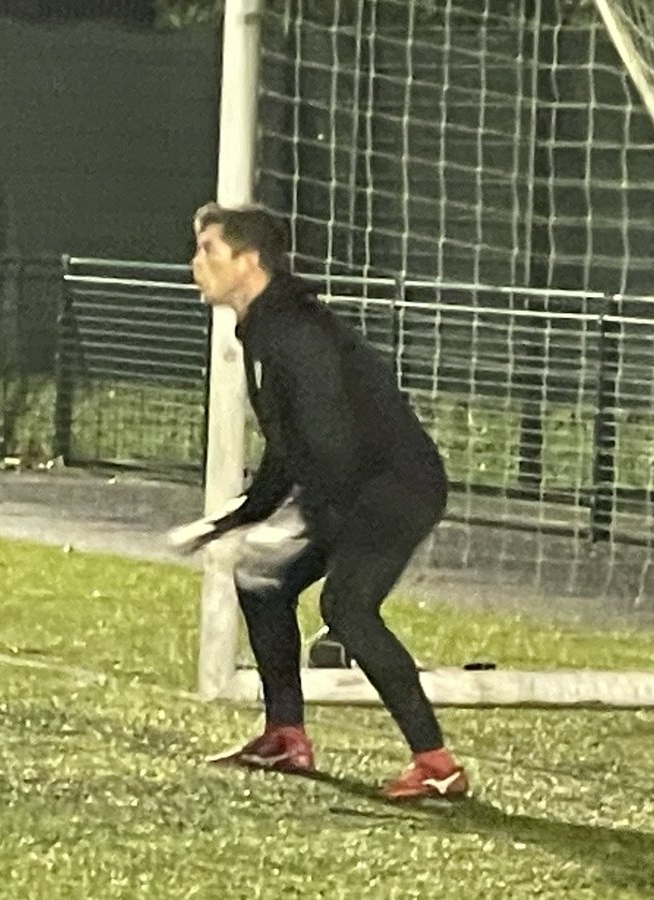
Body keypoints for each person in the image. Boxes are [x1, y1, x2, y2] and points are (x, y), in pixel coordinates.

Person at [180, 202, 468, 802]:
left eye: (209, 249)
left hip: (395, 486)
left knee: (348, 609)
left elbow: (336, 441)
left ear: (248, 261)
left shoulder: (296, 332)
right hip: (351, 486)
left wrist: (309, 519)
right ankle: (286, 734)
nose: (195, 263)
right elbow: (290, 448)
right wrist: (239, 516)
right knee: (261, 581)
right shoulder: (265, 326)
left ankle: (436, 764)